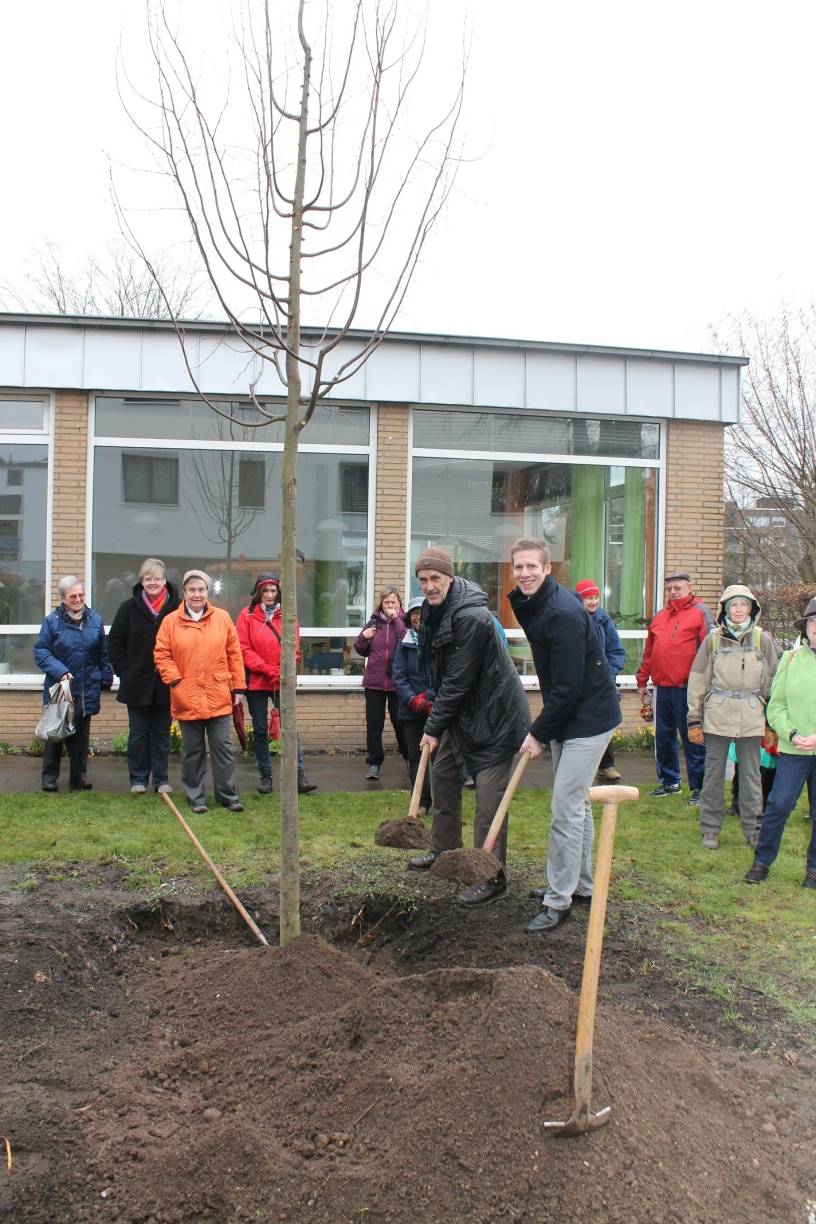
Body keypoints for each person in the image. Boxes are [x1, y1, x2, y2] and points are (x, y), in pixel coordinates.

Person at [509, 540, 622, 933]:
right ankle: (582, 886)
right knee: (576, 805)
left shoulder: (564, 613)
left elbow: (568, 688)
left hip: (589, 718)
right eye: (518, 567)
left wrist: (537, 733)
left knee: (564, 808)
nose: (524, 574)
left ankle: (557, 900)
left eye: (531, 567)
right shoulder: (538, 602)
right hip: (571, 714)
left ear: (547, 567)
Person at [407, 548, 530, 907]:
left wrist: (431, 727)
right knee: (442, 774)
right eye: (424, 580)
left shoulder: (472, 617)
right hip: (465, 713)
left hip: (497, 718)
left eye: (436, 579)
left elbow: (459, 679)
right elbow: (438, 668)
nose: (430, 586)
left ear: (450, 577)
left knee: (488, 800)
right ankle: (444, 849)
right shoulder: (432, 610)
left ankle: (490, 875)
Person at [686, 585, 778, 850]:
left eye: (744, 605)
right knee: (713, 775)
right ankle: (710, 830)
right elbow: (698, 681)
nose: (739, 610)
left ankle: (754, 830)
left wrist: (771, 722)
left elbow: (773, 681)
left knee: (751, 776)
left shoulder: (763, 640)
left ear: (752, 609)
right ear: (725, 609)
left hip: (751, 716)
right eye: (734, 605)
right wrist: (695, 719)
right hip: (717, 716)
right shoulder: (712, 641)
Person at [153, 569, 245, 814]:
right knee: (192, 751)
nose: (197, 594)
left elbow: (234, 654)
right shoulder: (170, 621)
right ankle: (196, 797)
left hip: (218, 693)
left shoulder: (223, 618)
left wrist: (238, 687)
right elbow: (162, 655)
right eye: (192, 590)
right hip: (187, 695)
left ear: (208, 592)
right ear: (184, 592)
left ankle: (228, 795)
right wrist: (175, 681)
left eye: (201, 589)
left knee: (223, 748)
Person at [744, 596, 816, 890]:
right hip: (793, 748)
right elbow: (776, 707)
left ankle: (814, 870)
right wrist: (792, 734)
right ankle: (762, 861)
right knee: (778, 805)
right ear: (806, 627)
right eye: (814, 622)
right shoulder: (791, 659)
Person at [235, 572, 317, 795]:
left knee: (290, 728)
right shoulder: (247, 615)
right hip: (257, 682)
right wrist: (268, 670)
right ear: (258, 592)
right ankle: (266, 776)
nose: (269, 595)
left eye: (273, 591)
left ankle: (299, 775)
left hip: (282, 680)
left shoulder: (289, 615)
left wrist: (281, 672)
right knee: (261, 729)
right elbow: (243, 649)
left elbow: (295, 650)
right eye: (265, 591)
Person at [636, 570, 714, 804]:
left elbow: (710, 652)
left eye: (678, 587)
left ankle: (699, 788)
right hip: (662, 688)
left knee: (694, 738)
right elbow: (649, 653)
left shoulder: (701, 613)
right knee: (663, 738)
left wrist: (705, 687)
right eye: (669, 588)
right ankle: (670, 782)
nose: (673, 592)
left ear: (689, 587)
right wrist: (642, 681)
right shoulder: (660, 616)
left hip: (689, 689)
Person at [34, 575, 113, 792]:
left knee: (80, 737)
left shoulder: (95, 620)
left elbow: (102, 653)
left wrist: (106, 678)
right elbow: (41, 652)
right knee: (55, 734)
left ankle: (79, 778)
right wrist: (60, 671)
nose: (78, 599)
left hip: (86, 688)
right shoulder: (52, 622)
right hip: (60, 688)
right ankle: (49, 778)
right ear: (63, 599)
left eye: (81, 594)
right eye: (73, 596)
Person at [107, 559, 178, 796]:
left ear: (164, 580)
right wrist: (125, 672)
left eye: (156, 578)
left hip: (166, 684)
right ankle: (137, 779)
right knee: (137, 734)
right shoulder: (128, 608)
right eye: (148, 579)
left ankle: (161, 779)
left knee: (161, 734)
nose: (152, 583)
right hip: (136, 683)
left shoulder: (177, 608)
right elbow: (114, 642)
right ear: (141, 582)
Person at [354, 586, 408, 780]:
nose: (390, 606)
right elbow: (360, 649)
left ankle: (409, 758)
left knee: (400, 723)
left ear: (399, 604)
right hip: (374, 682)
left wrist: (397, 621)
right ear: (381, 604)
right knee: (374, 725)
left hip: (397, 683)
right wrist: (363, 637)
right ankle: (374, 763)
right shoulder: (373, 622)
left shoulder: (404, 623)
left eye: (393, 602)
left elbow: (406, 642)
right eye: (387, 602)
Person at [574, 579, 625, 782]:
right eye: (589, 598)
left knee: (604, 724)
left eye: (596, 597)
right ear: (580, 600)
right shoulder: (574, 619)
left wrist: (609, 675)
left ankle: (606, 766)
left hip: (603, 683)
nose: (593, 602)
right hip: (581, 683)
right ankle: (581, 768)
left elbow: (616, 651)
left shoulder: (605, 621)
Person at [392, 595, 434, 814]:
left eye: (422, 612)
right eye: (414, 613)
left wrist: (428, 697)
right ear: (409, 618)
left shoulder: (438, 641)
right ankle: (421, 801)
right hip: (410, 712)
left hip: (435, 708)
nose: (418, 617)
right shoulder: (404, 643)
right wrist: (413, 700)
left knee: (440, 758)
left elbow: (444, 675)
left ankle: (443, 803)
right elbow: (398, 677)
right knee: (415, 758)